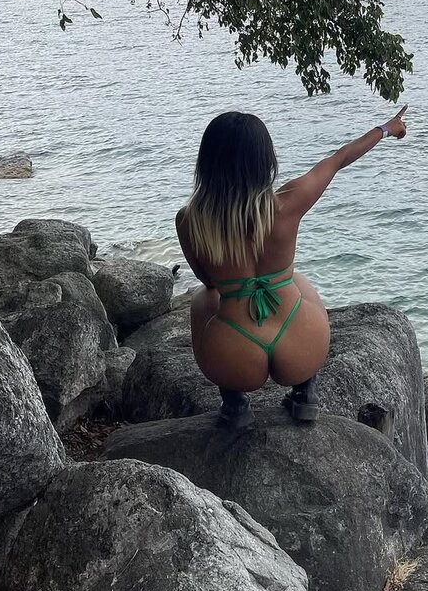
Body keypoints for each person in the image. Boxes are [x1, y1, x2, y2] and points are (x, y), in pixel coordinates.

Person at [175, 106, 409, 426]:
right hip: (301, 348)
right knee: (295, 280)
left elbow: (208, 281)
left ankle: (234, 403)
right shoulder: (287, 203)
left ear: (207, 163)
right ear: (266, 160)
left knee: (204, 299)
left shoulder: (190, 220)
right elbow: (339, 159)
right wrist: (386, 128)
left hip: (234, 359)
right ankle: (305, 391)